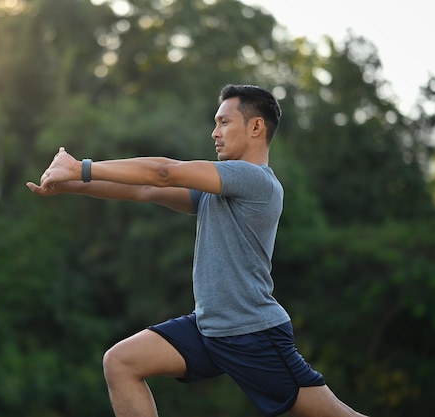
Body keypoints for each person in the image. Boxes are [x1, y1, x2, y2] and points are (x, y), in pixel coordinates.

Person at [27, 84, 368, 417]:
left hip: (253, 333)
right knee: (121, 362)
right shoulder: (217, 190)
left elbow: (163, 173)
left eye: (224, 122)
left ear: (255, 127)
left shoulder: (256, 180)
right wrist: (70, 185)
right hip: (209, 329)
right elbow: (144, 189)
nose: (214, 132)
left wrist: (81, 167)